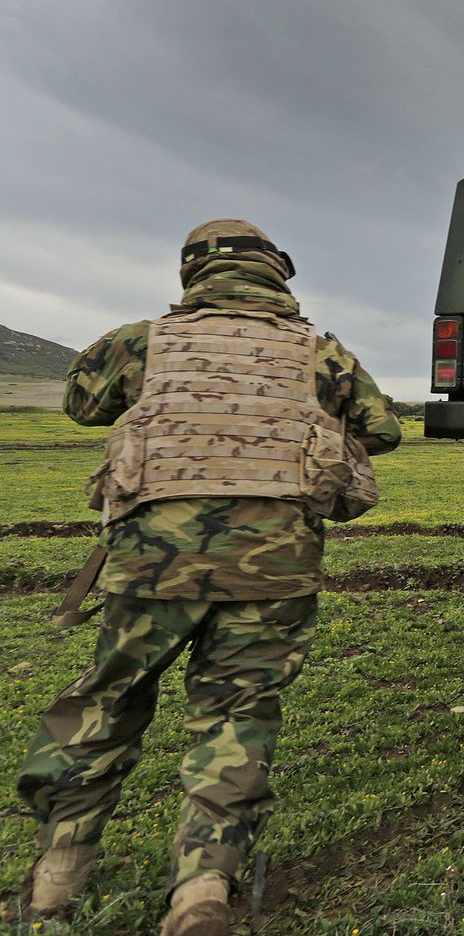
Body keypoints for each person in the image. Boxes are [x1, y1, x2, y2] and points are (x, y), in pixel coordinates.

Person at [16, 219, 402, 936]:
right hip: (275, 570)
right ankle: (202, 892)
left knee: (109, 702)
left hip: (151, 567)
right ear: (275, 274)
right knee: (236, 718)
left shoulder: (142, 342)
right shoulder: (318, 352)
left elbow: (80, 406)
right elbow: (383, 427)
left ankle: (57, 876)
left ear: (193, 272)